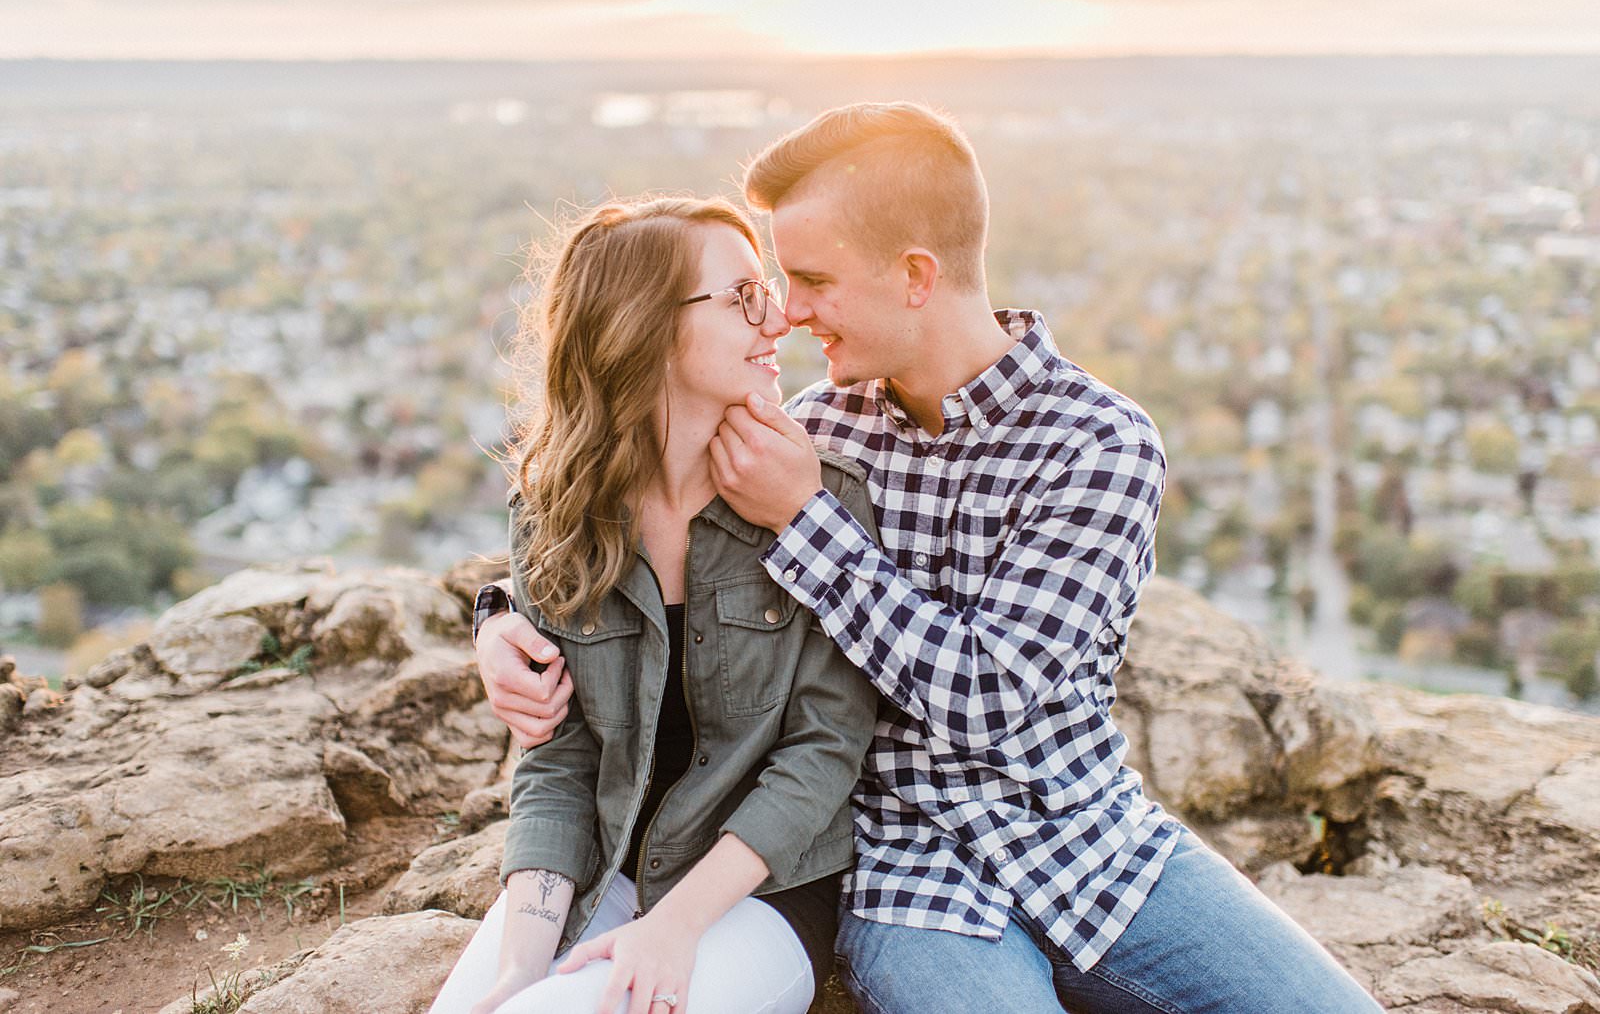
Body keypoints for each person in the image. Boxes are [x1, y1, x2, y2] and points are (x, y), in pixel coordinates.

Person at [477, 105, 1384, 1013]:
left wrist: (805, 519)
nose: (789, 314)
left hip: (1092, 843)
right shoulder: (810, 430)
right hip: (907, 878)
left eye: (814, 281)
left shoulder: (1098, 445)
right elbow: (624, 499)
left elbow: (988, 699)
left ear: (916, 276)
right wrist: (496, 621)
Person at [435, 196, 878, 1014]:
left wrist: (672, 927)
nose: (778, 318)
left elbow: (821, 755)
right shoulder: (557, 510)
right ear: (646, 325)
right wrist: (517, 968)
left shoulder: (817, 502)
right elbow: (561, 760)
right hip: (607, 869)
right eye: (744, 295)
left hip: (762, 898)